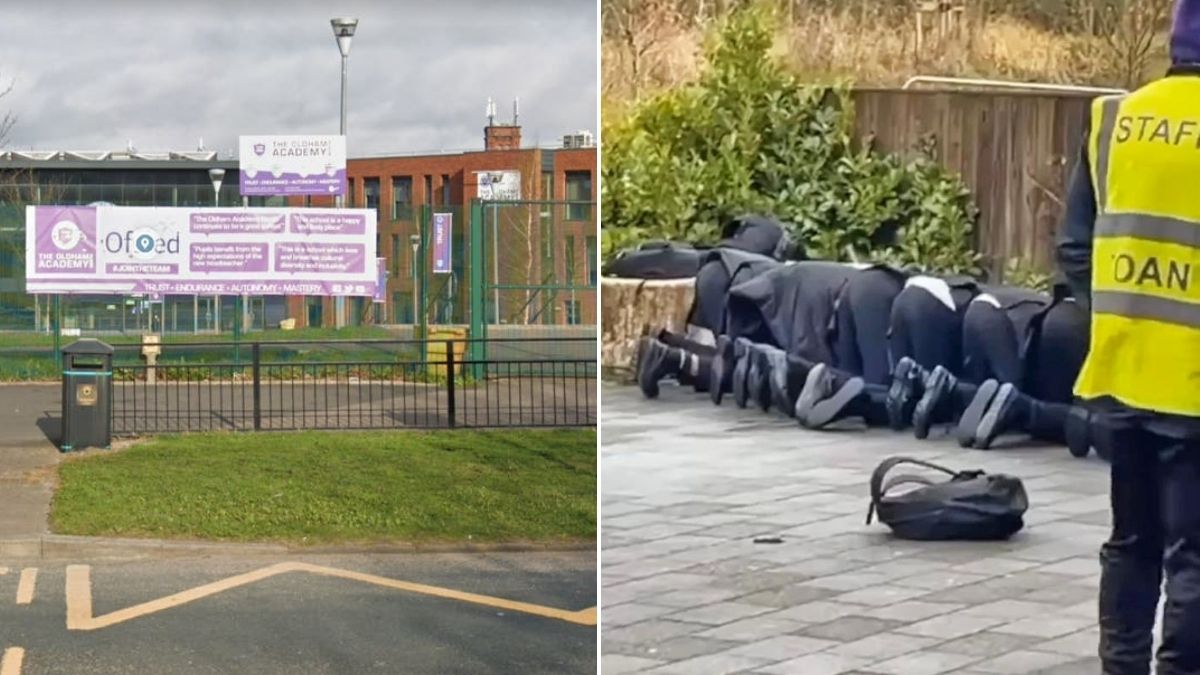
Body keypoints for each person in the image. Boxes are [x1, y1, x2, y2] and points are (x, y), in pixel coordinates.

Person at [1056, 4, 1200, 671]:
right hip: (1193, 390)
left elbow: (1074, 248)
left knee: (1131, 543)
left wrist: (1118, 314)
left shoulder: (1113, 119)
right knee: (1193, 555)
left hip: (1122, 371)